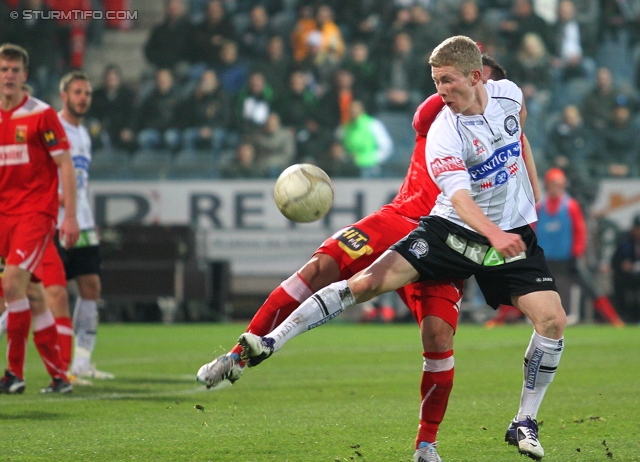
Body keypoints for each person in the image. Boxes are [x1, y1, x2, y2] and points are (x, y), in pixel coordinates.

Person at [196, 50, 540, 462]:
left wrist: (525, 222)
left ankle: (426, 447)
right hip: (401, 219)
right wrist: (452, 82)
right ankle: (238, 355)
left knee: (439, 338)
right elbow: (419, 117)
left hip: (450, 242)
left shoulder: (506, 130)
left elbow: (523, 171)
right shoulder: (442, 115)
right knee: (322, 266)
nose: (447, 91)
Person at [0, 43, 80, 394]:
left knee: (12, 283)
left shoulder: (40, 114)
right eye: (4, 69)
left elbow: (65, 164)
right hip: (3, 216)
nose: (9, 76)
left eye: (15, 70)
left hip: (34, 215)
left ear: (25, 76)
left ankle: (13, 374)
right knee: (32, 294)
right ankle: (59, 377)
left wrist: (70, 217)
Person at [54, 71, 115, 380]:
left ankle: (81, 362)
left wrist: (83, 214)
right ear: (64, 95)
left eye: (87, 93)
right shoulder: (53, 127)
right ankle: (59, 363)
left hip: (82, 222)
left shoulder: (83, 134)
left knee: (91, 287)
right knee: (34, 293)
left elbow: (81, 181)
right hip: (53, 221)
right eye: (77, 92)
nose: (83, 98)